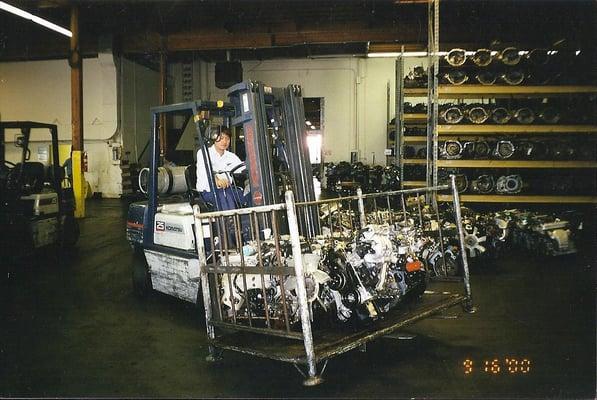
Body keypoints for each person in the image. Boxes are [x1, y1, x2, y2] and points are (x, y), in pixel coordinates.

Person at [196, 127, 247, 210]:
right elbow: (206, 172)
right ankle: (230, 221)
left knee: (251, 196)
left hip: (229, 190)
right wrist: (217, 181)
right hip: (208, 192)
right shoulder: (204, 153)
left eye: (227, 138)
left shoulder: (231, 156)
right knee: (224, 196)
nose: (224, 141)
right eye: (221, 138)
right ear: (214, 138)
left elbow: (242, 169)